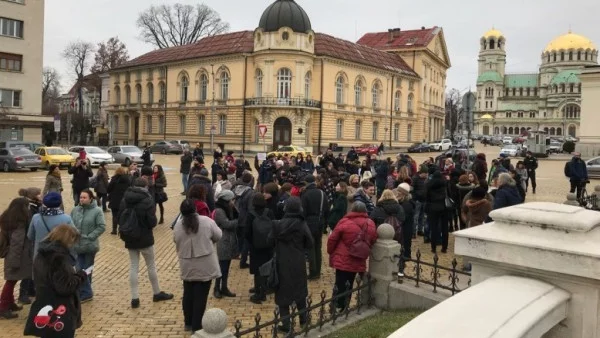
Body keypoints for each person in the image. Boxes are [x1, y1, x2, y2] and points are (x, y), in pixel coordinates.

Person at [23, 225, 86, 338]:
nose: (72, 245)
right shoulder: (58, 259)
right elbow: (64, 287)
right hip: (61, 307)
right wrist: (80, 277)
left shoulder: (41, 254)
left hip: (44, 301)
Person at [120, 177, 173, 308]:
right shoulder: (147, 200)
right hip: (145, 237)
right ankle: (156, 292)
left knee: (133, 267)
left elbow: (120, 216)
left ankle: (135, 298)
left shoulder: (125, 199)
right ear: (146, 187)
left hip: (130, 236)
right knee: (151, 266)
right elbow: (152, 222)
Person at [173, 199, 221, 332]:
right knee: (200, 296)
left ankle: (188, 322)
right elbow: (218, 236)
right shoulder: (207, 221)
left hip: (187, 264)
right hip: (205, 264)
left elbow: (175, 240)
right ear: (195, 209)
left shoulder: (178, 225)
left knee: (188, 293)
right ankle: (197, 326)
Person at [268, 197, 314, 332]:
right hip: (298, 261)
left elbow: (269, 240)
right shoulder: (301, 224)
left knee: (282, 292)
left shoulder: (277, 224)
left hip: (282, 261)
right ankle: (303, 319)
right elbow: (310, 242)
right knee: (300, 290)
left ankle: (286, 325)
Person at [327, 202, 377, 312]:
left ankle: (335, 304)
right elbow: (373, 240)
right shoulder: (370, 224)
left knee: (339, 282)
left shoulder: (344, 221)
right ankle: (345, 305)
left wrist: (330, 251)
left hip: (342, 257)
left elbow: (332, 239)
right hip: (358, 257)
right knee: (349, 283)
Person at [0, 198, 33, 318]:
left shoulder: (7, 218)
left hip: (11, 255)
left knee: (12, 280)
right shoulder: (19, 222)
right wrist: (14, 262)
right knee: (11, 281)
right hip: (17, 257)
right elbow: (17, 243)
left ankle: (10, 303)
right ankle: (3, 307)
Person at [71, 189, 106, 302]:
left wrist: (90, 236)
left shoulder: (97, 211)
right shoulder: (75, 210)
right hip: (76, 245)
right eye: (81, 197)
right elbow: (70, 224)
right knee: (79, 269)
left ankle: (85, 292)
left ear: (91, 198)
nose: (82, 199)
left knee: (86, 270)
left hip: (90, 246)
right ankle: (86, 291)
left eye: (84, 197)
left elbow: (101, 226)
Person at [246, 193, 275, 304]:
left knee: (257, 270)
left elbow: (247, 232)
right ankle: (265, 288)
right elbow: (274, 227)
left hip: (255, 247)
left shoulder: (251, 214)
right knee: (266, 268)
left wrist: (252, 242)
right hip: (268, 246)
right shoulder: (270, 213)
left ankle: (259, 293)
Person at [27, 192, 74, 260]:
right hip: (59, 257)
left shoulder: (36, 217)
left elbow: (30, 236)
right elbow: (73, 236)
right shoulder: (66, 218)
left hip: (40, 256)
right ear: (60, 203)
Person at [300, 175, 328, 280]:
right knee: (318, 247)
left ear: (307, 183)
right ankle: (317, 271)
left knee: (310, 247)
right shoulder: (322, 193)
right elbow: (326, 208)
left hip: (309, 222)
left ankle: (312, 272)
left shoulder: (305, 194)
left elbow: (303, 211)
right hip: (320, 221)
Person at [212, 190, 238, 299]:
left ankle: (224, 287)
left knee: (226, 267)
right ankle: (217, 288)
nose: (234, 201)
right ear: (227, 200)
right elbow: (226, 224)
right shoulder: (219, 211)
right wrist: (238, 221)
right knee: (221, 267)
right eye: (232, 199)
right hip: (223, 241)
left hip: (230, 240)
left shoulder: (229, 208)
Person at [234, 172, 255, 269]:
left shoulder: (236, 189)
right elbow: (251, 208)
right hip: (245, 218)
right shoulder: (250, 192)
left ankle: (237, 253)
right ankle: (243, 261)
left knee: (239, 238)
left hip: (237, 217)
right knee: (246, 240)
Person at [425, 171, 449, 254]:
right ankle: (444, 247)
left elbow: (427, 197)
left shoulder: (430, 185)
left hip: (433, 207)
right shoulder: (444, 184)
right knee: (445, 228)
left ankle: (433, 247)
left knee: (433, 228)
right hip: (444, 207)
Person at [107, 166, 132, 235]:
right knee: (123, 215)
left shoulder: (114, 179)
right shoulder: (127, 179)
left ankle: (114, 230)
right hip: (124, 200)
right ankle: (121, 229)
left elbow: (108, 189)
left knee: (114, 215)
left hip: (114, 200)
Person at [396, 183, 415, 259]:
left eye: (399, 191)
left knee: (406, 243)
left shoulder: (407, 204)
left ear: (404, 193)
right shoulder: (400, 201)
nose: (397, 193)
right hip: (403, 227)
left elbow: (403, 218)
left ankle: (406, 256)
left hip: (406, 228)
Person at [411, 166, 428, 237]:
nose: (427, 175)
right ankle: (413, 232)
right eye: (426, 173)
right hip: (417, 200)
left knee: (422, 216)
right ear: (422, 173)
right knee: (416, 216)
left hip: (424, 200)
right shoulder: (415, 178)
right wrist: (416, 196)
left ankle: (420, 230)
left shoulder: (426, 179)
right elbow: (412, 189)